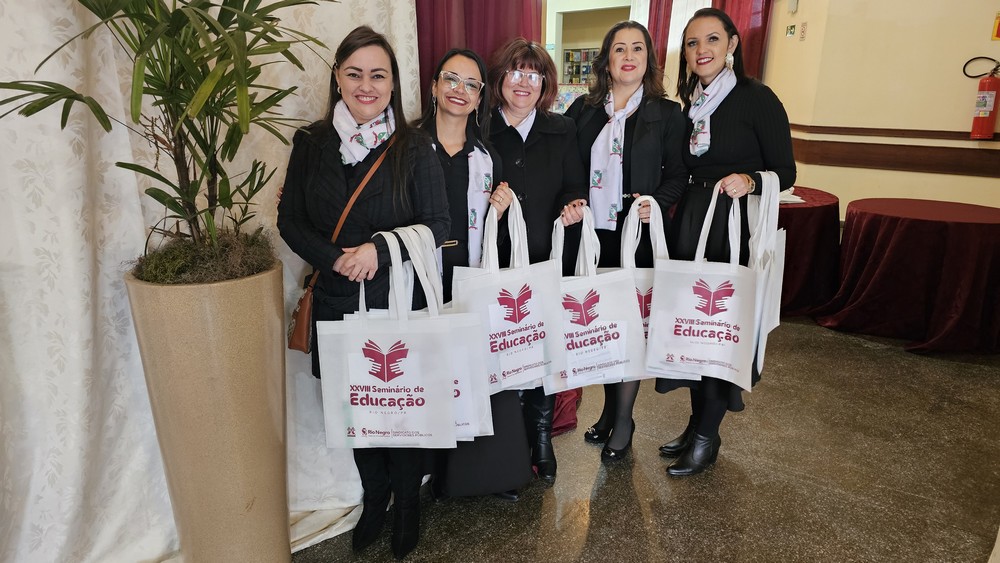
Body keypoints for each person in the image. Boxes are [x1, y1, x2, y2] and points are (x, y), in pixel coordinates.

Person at [276, 26, 449, 559]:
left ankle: (408, 505)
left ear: (393, 83)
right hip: (336, 301)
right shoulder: (312, 144)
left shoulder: (416, 147)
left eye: (378, 75)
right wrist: (336, 260)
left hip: (397, 301)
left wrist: (379, 249)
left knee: (398, 411)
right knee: (357, 412)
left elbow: (438, 224)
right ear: (337, 78)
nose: (366, 86)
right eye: (354, 74)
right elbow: (290, 220)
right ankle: (375, 501)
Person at [656, 8, 795, 476]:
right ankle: (697, 425)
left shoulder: (757, 98)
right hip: (694, 222)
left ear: (733, 44)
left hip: (733, 226)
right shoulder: (691, 103)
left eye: (712, 39)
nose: (702, 50)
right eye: (693, 42)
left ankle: (706, 437)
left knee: (720, 331)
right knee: (695, 331)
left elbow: (786, 171)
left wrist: (751, 179)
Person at [412, 48, 534, 501]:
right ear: (434, 86)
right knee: (429, 371)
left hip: (470, 273)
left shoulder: (487, 156)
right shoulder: (407, 146)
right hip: (419, 276)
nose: (459, 90)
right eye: (451, 79)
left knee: (478, 371)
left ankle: (485, 475)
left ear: (481, 97)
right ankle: (428, 473)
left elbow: (492, 228)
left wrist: (498, 210)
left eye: (471, 84)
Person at [564, 21, 688, 462]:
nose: (629, 56)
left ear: (648, 59)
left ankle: (624, 419)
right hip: (592, 235)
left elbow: (678, 175)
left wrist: (657, 202)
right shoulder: (582, 110)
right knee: (601, 327)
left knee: (629, 329)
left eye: (638, 48)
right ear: (607, 60)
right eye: (620, 48)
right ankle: (607, 410)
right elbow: (567, 167)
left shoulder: (667, 114)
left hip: (636, 235)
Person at [487, 37, 588, 484]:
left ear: (545, 83)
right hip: (496, 260)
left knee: (544, 348)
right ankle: (508, 442)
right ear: (500, 78)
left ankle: (542, 438)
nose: (524, 82)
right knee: (506, 350)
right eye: (516, 71)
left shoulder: (562, 128)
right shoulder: (481, 126)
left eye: (534, 74)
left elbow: (575, 184)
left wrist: (574, 204)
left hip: (547, 257)